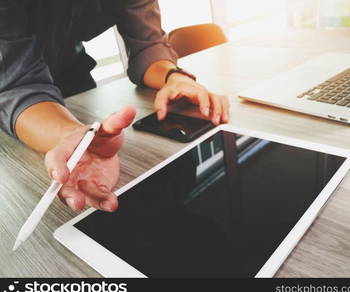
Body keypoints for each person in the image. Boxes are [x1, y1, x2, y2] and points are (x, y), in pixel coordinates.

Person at [0, 0, 230, 212]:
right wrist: (68, 134)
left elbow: (148, 45)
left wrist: (174, 77)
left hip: (73, 72)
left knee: (168, 178)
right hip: (11, 90)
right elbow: (16, 86)